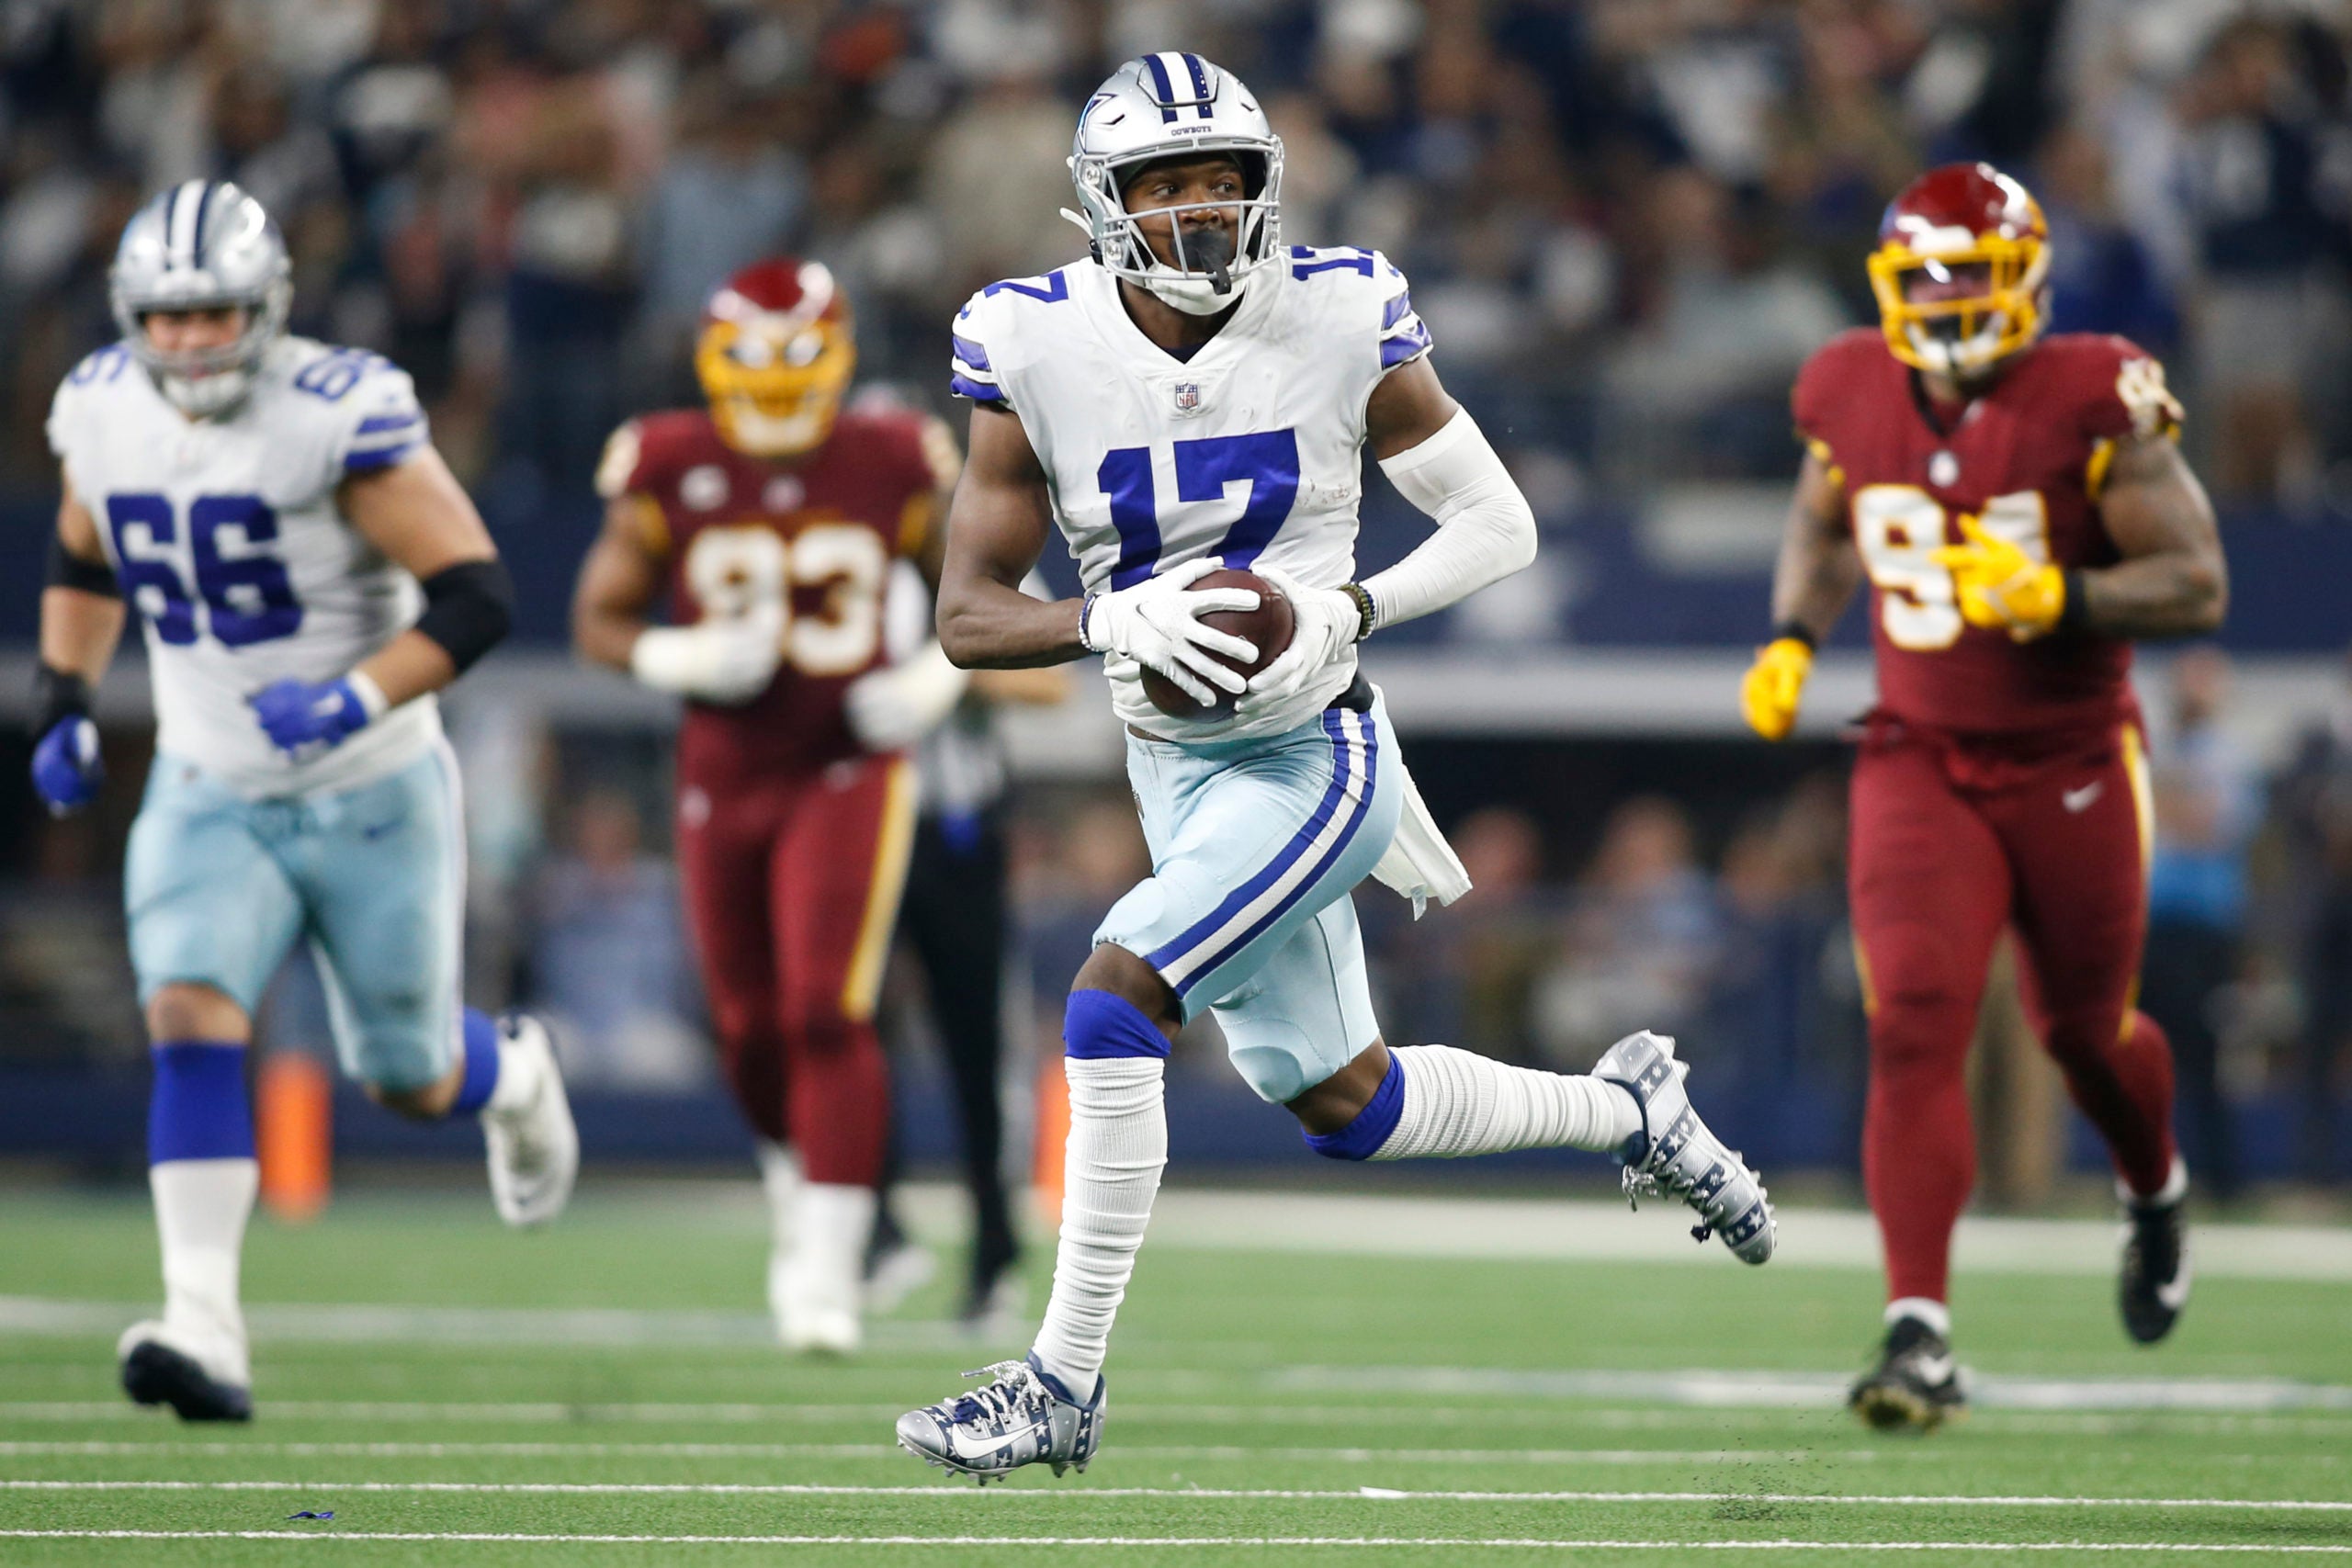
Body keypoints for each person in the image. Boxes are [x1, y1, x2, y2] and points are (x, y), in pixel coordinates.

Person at [894, 52, 1776, 1486]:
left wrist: (1342, 606)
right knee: (1347, 1102)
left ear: (1266, 183)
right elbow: (967, 614)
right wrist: (1110, 611)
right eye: (1164, 184)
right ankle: (1634, 1108)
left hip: (1316, 746)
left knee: (1117, 999)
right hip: (1170, 760)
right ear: (1102, 204)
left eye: (1221, 178)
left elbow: (1500, 525)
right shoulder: (1026, 340)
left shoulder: (1342, 305)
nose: (1197, 209)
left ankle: (1058, 1384)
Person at [31, 179, 577, 1424]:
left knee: (409, 1070)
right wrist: (61, 693)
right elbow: (81, 549)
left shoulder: (335, 413)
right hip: (207, 774)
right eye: (163, 317)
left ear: (264, 305)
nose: (185, 340)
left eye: (211, 311)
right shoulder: (102, 408)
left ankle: (517, 1075)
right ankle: (204, 1322)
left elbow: (480, 593)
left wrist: (353, 695)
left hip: (368, 782)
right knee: (189, 1009)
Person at [1739, 163, 2226, 1431]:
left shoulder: (2090, 392)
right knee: (1912, 1019)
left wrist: (2067, 593)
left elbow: (2198, 581)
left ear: (2032, 283)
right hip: (1918, 751)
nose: (1953, 300)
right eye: (1932, 277)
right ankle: (1919, 1330)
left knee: (2084, 1032)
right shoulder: (1845, 381)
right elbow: (1824, 517)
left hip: (2069, 756)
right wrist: (1795, 631)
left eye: (1977, 274)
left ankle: (2153, 1183)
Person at [571, 256, 967, 1355]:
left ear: (838, 358)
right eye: (755, 360)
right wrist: (671, 649)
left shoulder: (894, 455)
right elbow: (597, 620)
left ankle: (831, 1265)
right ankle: (801, 1193)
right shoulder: (668, 458)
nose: (780, 384)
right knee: (745, 1024)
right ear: (711, 360)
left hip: (846, 762)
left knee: (823, 1008)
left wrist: (933, 680)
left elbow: (980, 595)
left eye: (799, 359)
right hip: (723, 766)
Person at [2142, 648, 2254, 1203]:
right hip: (2150, 928)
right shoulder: (2158, 751)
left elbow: (2206, 823)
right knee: (2139, 1058)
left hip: (2204, 932)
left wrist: (2165, 799)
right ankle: (2148, 1176)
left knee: (2203, 1057)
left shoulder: (2228, 757)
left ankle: (2220, 1181)